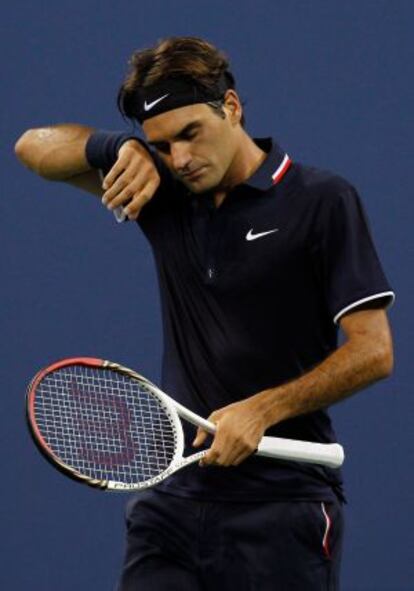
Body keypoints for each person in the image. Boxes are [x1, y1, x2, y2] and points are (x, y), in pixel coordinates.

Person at [15, 36, 394, 591]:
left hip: (282, 509)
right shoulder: (163, 194)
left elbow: (374, 351)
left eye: (191, 133)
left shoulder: (323, 201)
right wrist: (119, 149)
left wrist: (263, 409)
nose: (181, 159)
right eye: (163, 144)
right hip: (170, 513)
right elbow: (32, 147)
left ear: (232, 108)